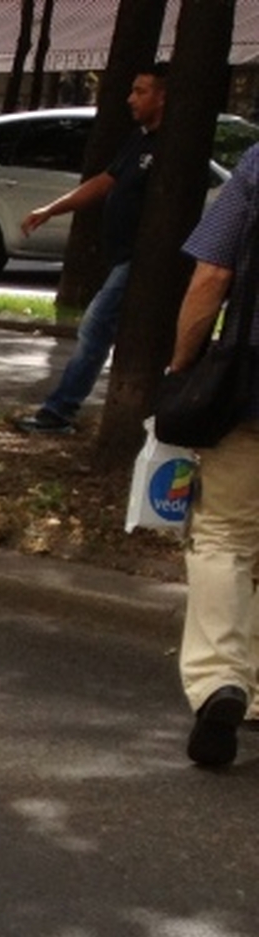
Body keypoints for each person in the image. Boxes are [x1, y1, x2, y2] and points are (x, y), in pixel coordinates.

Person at [168, 143, 259, 769]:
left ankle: (220, 681)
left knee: (225, 533)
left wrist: (182, 367)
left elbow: (212, 276)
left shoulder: (257, 165)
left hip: (252, 383)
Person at [13, 65, 166, 435]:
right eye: (133, 90)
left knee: (96, 327)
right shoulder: (139, 140)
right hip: (124, 258)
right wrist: (51, 209)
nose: (131, 98)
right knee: (117, 332)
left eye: (141, 91)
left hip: (139, 261)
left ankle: (59, 413)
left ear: (164, 96)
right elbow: (103, 182)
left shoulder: (172, 147)